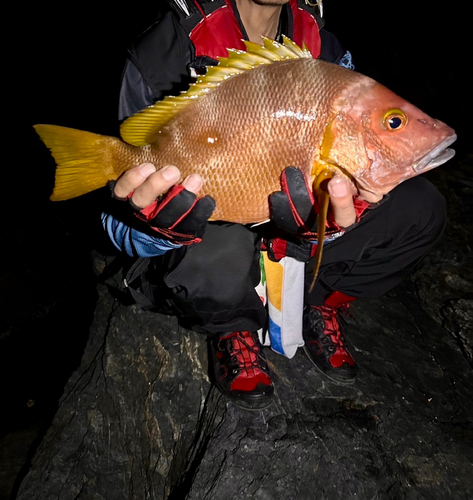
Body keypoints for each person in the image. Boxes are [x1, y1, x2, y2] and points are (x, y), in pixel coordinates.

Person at [103, 0, 446, 410]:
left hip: (293, 236)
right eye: (395, 122)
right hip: (215, 227)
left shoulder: (326, 48)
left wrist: (339, 216)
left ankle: (321, 298)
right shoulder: (161, 53)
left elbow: (343, 171)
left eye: (395, 122)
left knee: (422, 209)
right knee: (215, 249)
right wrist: (155, 230)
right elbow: (114, 227)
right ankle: (231, 327)